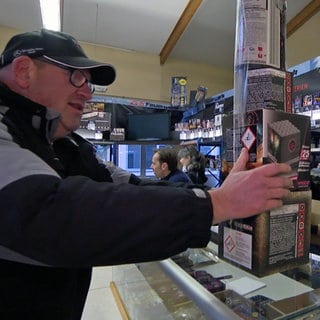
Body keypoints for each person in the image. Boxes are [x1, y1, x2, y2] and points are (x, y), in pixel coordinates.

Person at [0, 29, 293, 319]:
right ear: (25, 71)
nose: (87, 92)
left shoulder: (66, 145)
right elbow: (52, 214)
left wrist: (216, 195)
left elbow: (132, 188)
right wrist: (218, 204)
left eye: (89, 83)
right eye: (76, 76)